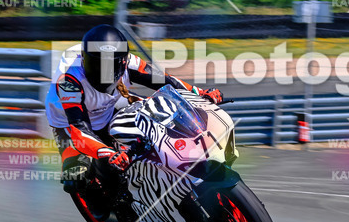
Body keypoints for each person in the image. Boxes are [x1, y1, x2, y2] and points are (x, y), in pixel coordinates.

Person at [45, 24, 223, 194]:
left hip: (109, 104)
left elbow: (164, 80)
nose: (105, 73)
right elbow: (79, 130)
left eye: (112, 65)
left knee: (154, 123)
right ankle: (99, 199)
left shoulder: (130, 62)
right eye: (97, 65)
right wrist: (109, 154)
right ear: (84, 60)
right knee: (77, 176)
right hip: (67, 121)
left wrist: (200, 93)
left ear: (123, 61)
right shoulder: (69, 82)